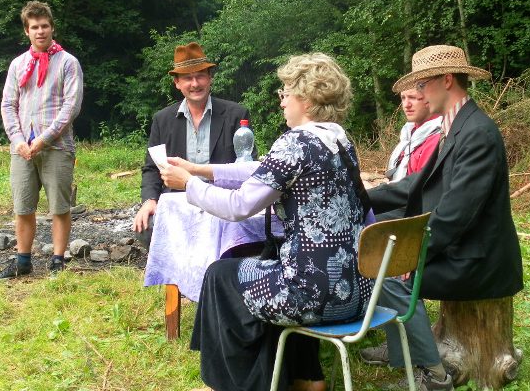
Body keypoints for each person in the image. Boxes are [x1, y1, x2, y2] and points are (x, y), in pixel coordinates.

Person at [160, 53, 374, 391]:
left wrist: (189, 184)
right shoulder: (340, 141)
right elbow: (262, 170)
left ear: (306, 99)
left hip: (314, 297)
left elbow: (238, 206)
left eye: (285, 93)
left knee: (220, 275)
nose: (282, 101)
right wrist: (200, 170)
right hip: (359, 293)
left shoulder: (295, 143)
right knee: (274, 266)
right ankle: (306, 378)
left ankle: (232, 384)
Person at [361, 45, 523, 390]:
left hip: (478, 260)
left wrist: (415, 255)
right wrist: (362, 197)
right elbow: (415, 185)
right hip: (462, 249)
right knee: (383, 254)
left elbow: (455, 214)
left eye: (422, 85)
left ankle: (434, 375)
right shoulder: (456, 126)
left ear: (447, 80)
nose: (418, 94)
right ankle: (400, 351)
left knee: (389, 274)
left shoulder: (477, 132)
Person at [132, 42, 255, 248]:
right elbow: (152, 168)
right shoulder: (162, 119)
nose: (195, 84)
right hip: (179, 200)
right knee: (146, 226)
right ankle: (176, 269)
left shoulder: (236, 115)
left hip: (221, 200)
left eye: (200, 76)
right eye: (188, 78)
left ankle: (220, 267)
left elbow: (246, 167)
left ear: (210, 78)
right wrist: (149, 201)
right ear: (177, 83)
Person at [0, 1, 83, 280]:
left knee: (59, 207)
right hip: (22, 149)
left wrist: (44, 138)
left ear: (52, 27)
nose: (40, 31)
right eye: (34, 27)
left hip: (56, 146)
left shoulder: (68, 63)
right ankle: (22, 261)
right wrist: (17, 139)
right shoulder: (18, 64)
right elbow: (8, 104)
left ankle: (57, 261)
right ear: (27, 31)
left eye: (44, 26)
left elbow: (71, 106)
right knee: (23, 206)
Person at [386, 88, 441, 181]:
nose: (406, 105)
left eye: (412, 97)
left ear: (429, 99)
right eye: (403, 98)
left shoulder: (437, 136)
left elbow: (420, 185)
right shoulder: (409, 132)